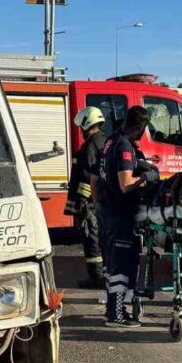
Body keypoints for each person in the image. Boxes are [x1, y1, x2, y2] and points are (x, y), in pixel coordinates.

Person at [97, 106, 159, 328]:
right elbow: (125, 185)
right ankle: (116, 315)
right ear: (140, 127)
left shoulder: (111, 141)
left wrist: (140, 163)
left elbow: (98, 177)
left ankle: (113, 310)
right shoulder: (124, 146)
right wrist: (146, 177)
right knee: (122, 265)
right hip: (122, 213)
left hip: (107, 211)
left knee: (113, 264)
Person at [65, 107, 108, 288]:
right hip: (103, 201)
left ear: (86, 123)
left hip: (90, 203)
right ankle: (105, 276)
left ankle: (96, 278)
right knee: (103, 239)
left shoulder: (91, 146)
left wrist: (82, 201)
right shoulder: (105, 141)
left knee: (92, 239)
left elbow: (90, 176)